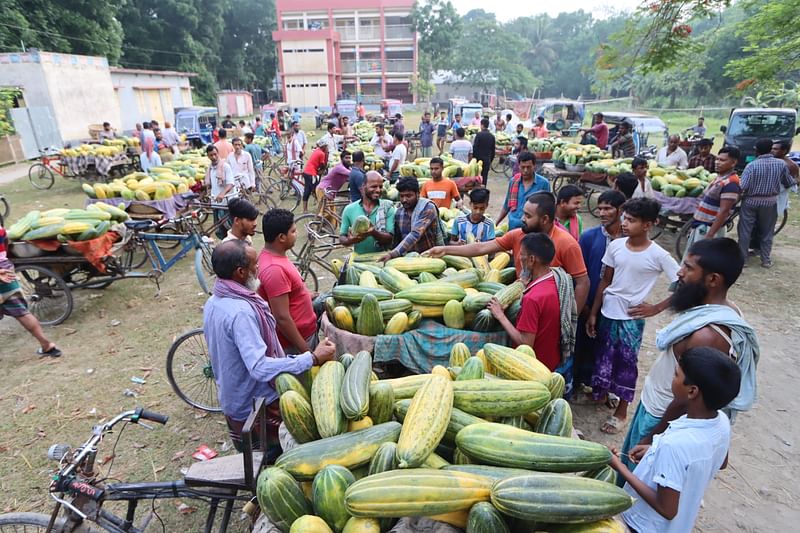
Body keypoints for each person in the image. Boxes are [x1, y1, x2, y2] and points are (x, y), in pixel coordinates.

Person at [620, 238, 758, 468]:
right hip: (654, 407)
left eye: (689, 268)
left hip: (662, 418)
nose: (680, 273)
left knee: (636, 482)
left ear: (713, 279)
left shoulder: (706, 336)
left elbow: (687, 398)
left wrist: (653, 437)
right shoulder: (721, 309)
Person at [203, 240, 336, 456]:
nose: (258, 269)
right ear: (240, 272)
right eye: (254, 265)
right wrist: (312, 358)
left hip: (233, 397)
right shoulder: (241, 313)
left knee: (253, 457)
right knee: (270, 461)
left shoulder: (215, 301)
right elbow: (259, 368)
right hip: (255, 405)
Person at [611, 346, 740, 533]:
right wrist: (654, 453)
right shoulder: (721, 422)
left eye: (676, 375)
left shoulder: (675, 445)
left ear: (692, 391)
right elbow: (721, 462)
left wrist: (619, 466)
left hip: (644, 526)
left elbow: (667, 509)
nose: (673, 379)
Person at [585, 197, 680, 434]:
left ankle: (621, 412)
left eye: (632, 220)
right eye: (625, 218)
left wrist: (656, 308)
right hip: (608, 311)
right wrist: (594, 313)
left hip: (631, 319)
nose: (625, 223)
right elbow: (605, 281)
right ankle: (601, 395)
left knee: (626, 364)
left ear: (648, 224)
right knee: (604, 357)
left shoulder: (658, 255)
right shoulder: (616, 246)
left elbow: (684, 282)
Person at [427, 192, 589, 313]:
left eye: (528, 216)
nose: (522, 219)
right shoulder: (517, 234)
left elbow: (583, 283)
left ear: (545, 219)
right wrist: (445, 249)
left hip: (549, 310)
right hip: (519, 301)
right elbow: (481, 248)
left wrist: (571, 316)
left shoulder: (567, 244)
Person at [574, 190, 626, 393]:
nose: (602, 213)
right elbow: (579, 272)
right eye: (600, 208)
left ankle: (602, 388)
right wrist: (586, 306)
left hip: (615, 305)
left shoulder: (629, 239)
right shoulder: (589, 237)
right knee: (583, 343)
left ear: (620, 210)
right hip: (589, 301)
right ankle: (579, 382)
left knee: (609, 348)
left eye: (608, 208)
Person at [487, 233, 562, 370]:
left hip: (533, 366)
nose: (518, 258)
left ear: (532, 259)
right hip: (552, 360)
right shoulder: (557, 281)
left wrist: (500, 315)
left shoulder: (532, 298)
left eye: (521, 254)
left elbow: (525, 343)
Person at [257, 209, 318, 354]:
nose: (296, 235)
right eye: (293, 231)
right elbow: (282, 317)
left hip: (305, 335)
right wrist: (306, 352)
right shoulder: (274, 269)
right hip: (295, 344)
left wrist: (305, 296)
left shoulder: (277, 257)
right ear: (281, 237)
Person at [0, 225, 62, 357]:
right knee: (22, 312)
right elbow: (5, 245)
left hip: (2, 273)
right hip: (7, 272)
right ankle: (47, 345)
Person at [737, 137, 795, 268]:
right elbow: (788, 182)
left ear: (757, 151)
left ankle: (743, 260)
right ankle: (766, 260)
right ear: (770, 149)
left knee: (745, 230)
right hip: (770, 202)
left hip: (751, 201)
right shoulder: (781, 164)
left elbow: (743, 186)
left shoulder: (751, 165)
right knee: (767, 232)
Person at [682, 146, 741, 258]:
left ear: (733, 163)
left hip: (709, 228)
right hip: (702, 226)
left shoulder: (731, 183)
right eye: (717, 159)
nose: (717, 162)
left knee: (700, 260)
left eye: (722, 160)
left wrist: (710, 235)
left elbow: (724, 211)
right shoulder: (720, 177)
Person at [380, 177, 445, 260]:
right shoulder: (399, 212)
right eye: (401, 196)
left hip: (429, 257)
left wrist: (393, 253)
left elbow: (415, 234)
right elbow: (397, 239)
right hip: (408, 259)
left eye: (408, 196)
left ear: (418, 194)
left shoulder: (427, 207)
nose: (404, 200)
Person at [340, 171, 396, 254]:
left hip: (382, 259)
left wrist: (373, 233)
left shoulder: (388, 208)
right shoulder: (349, 209)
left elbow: (390, 238)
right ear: (363, 187)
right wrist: (350, 240)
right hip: (359, 260)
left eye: (380, 187)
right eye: (373, 186)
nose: (378, 190)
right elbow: (342, 237)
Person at [496, 152, 550, 230]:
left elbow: (546, 209)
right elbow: (506, 205)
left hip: (531, 229)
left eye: (528, 167)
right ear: (519, 166)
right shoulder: (513, 181)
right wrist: (496, 223)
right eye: (523, 167)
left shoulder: (543, 183)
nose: (525, 170)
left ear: (534, 166)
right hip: (513, 227)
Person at [204, 144, 236, 239]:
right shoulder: (209, 169)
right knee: (219, 230)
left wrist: (222, 193)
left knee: (229, 228)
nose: (213, 157)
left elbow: (230, 183)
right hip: (216, 203)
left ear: (218, 153)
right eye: (211, 155)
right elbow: (209, 185)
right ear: (208, 156)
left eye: (215, 154)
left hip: (226, 203)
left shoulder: (225, 167)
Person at [316, 150, 352, 223]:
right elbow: (352, 174)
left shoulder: (348, 168)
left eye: (349, 158)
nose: (348, 160)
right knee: (325, 213)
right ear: (342, 159)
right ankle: (315, 227)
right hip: (323, 189)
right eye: (346, 158)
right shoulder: (339, 167)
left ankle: (326, 230)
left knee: (333, 218)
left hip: (331, 193)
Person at [301, 140, 329, 213]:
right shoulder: (321, 153)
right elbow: (322, 165)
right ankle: (321, 207)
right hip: (311, 173)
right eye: (326, 147)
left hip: (306, 172)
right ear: (324, 147)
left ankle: (305, 209)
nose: (327, 148)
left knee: (308, 190)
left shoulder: (317, 151)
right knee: (316, 190)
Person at [472, 118, 496, 185]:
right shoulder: (492, 136)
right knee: (484, 177)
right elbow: (493, 150)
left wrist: (474, 158)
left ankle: (477, 190)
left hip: (478, 159)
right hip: (487, 159)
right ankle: (483, 191)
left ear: (482, 125)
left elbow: (475, 148)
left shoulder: (479, 135)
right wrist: (490, 160)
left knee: (477, 176)